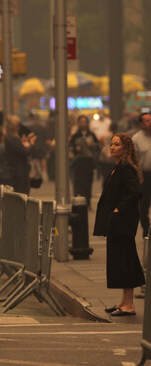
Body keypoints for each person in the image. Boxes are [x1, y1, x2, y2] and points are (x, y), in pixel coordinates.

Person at [93, 133, 144, 316]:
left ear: (125, 148)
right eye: (111, 144)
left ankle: (129, 305)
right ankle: (124, 302)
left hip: (123, 222)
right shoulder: (117, 167)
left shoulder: (126, 168)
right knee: (120, 260)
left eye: (116, 145)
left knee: (125, 260)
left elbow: (136, 192)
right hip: (117, 223)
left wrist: (119, 210)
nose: (112, 147)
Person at [69, 115, 99, 206]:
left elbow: (98, 147)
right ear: (78, 123)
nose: (83, 123)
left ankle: (88, 202)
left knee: (88, 182)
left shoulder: (91, 134)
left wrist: (93, 145)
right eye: (81, 121)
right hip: (78, 162)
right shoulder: (75, 135)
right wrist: (76, 149)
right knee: (78, 182)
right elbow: (70, 148)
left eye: (84, 121)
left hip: (89, 162)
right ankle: (79, 202)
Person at [5, 115, 37, 195]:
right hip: (20, 173)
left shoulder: (10, 138)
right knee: (22, 195)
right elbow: (24, 152)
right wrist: (31, 144)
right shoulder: (13, 139)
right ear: (15, 126)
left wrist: (24, 142)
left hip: (16, 171)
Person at [133, 112, 151, 237]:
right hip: (144, 175)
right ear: (141, 124)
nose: (150, 122)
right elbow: (133, 160)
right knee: (143, 205)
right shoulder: (136, 138)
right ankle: (146, 228)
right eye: (147, 120)